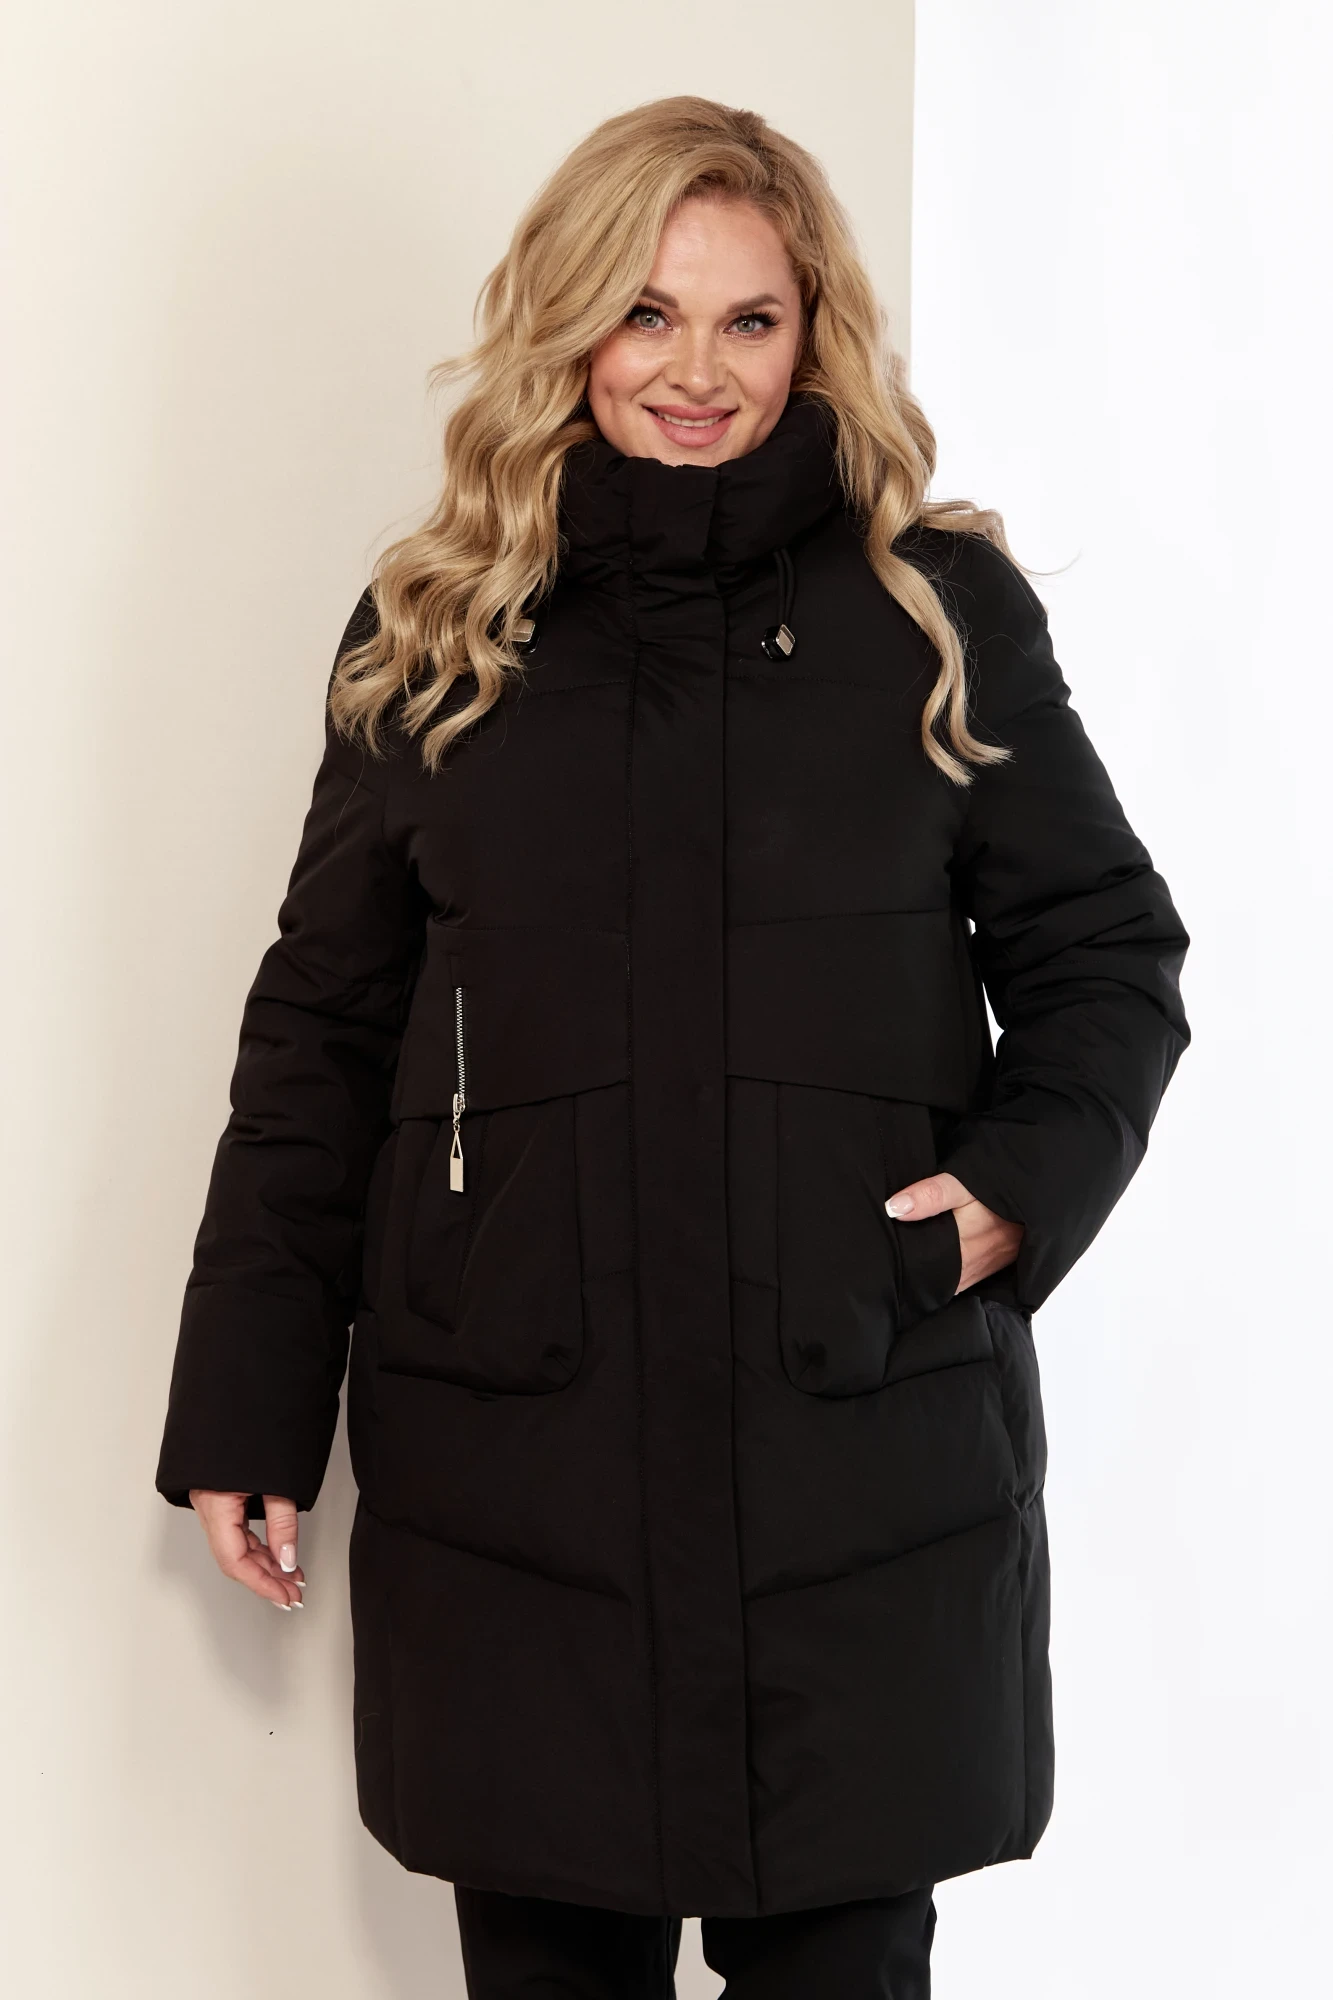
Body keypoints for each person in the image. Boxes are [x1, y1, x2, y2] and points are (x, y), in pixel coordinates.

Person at [154, 96, 1190, 1999]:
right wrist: (247, 1402)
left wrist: (999, 1202)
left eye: (748, 321)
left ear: (813, 337)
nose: (696, 372)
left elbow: (1108, 957)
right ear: (570, 325)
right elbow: (319, 1042)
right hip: (520, 1479)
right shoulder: (439, 636)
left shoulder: (934, 614)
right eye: (646, 314)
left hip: (860, 1465)